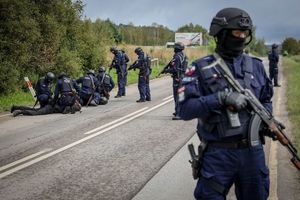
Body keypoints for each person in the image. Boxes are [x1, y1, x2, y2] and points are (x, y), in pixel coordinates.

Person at [178, 8, 273, 200]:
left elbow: (266, 99)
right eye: (236, 33)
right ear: (221, 34)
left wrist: (266, 120)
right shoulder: (198, 68)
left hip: (253, 153)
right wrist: (220, 99)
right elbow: (184, 110)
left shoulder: (255, 66)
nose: (241, 37)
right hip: (217, 154)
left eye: (245, 33)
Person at [161, 42, 187, 120]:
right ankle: (178, 111)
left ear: (177, 48)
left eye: (175, 47)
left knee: (177, 96)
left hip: (178, 78)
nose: (173, 49)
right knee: (180, 95)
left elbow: (175, 69)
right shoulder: (183, 55)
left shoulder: (177, 57)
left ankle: (179, 114)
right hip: (182, 77)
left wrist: (166, 71)